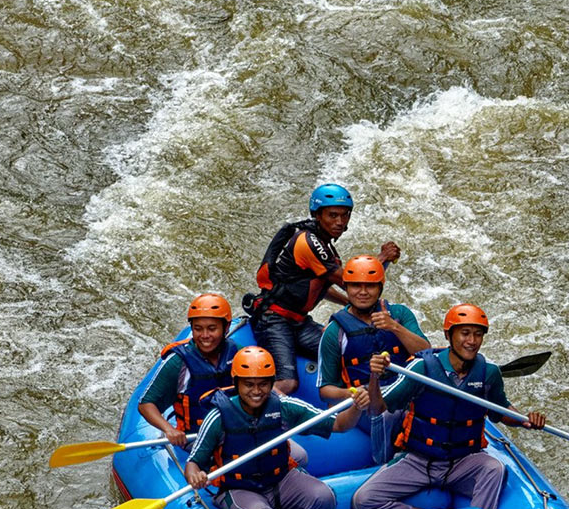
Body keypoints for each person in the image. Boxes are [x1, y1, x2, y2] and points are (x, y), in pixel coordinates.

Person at [352, 304, 547, 509]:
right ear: (448, 334)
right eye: (465, 333)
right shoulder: (421, 368)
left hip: (463, 461)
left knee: (495, 469)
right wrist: (375, 378)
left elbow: (501, 411)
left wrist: (525, 421)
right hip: (419, 460)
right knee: (363, 499)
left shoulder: (489, 373)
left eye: (478, 334)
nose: (472, 341)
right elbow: (378, 408)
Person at [185, 347, 373, 509]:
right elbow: (193, 464)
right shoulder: (217, 416)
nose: (257, 391)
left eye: (263, 384)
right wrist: (195, 476)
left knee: (324, 496)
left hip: (280, 478)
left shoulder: (284, 406)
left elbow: (339, 424)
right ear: (237, 383)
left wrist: (356, 408)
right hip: (238, 488)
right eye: (249, 384)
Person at [246, 183, 399, 395]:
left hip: (299, 323)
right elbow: (348, 280)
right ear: (318, 215)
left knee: (341, 351)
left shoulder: (325, 245)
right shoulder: (308, 241)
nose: (339, 222)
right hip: (274, 320)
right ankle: (250, 417)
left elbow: (321, 286)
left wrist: (348, 302)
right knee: (288, 383)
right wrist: (381, 258)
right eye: (332, 215)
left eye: (344, 216)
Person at [316, 254, 429, 465]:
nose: (362, 292)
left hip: (405, 394)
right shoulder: (335, 332)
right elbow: (325, 391)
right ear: (346, 288)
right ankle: (388, 463)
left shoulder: (399, 314)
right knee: (385, 414)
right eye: (356, 286)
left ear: (380, 288)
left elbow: (426, 354)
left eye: (370, 286)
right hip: (367, 405)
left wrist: (394, 327)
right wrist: (353, 395)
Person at [137, 293, 248, 449]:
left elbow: (263, 385)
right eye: (198, 329)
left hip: (239, 429)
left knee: (292, 455)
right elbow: (146, 404)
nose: (204, 336)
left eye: (212, 329)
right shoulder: (178, 363)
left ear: (227, 327)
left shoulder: (239, 353)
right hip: (197, 437)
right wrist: (169, 429)